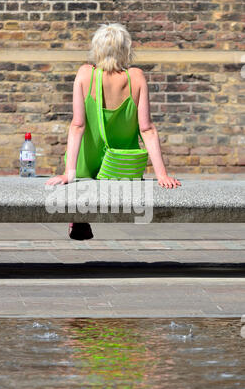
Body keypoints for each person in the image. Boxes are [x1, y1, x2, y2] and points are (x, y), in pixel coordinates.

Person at [46, 23, 181, 239]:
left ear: (96, 49)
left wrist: (68, 173)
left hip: (87, 163)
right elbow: (147, 129)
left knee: (84, 165)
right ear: (126, 49)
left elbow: (77, 125)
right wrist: (161, 175)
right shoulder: (136, 77)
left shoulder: (84, 73)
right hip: (120, 165)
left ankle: (79, 216)